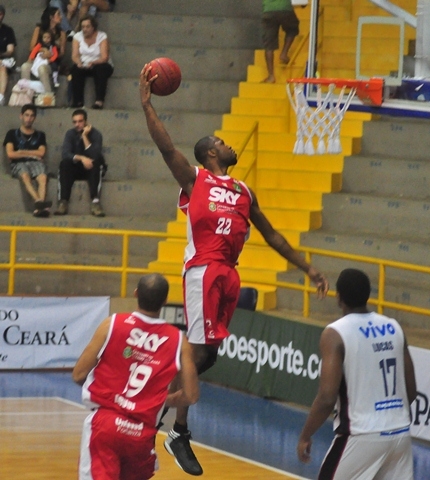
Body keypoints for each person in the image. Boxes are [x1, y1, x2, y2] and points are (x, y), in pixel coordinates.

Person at [139, 64, 329, 476]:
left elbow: (273, 235)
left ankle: (161, 413)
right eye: (222, 142)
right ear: (211, 152)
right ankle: (174, 428)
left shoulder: (244, 191)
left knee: (208, 356)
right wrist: (147, 105)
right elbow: (166, 148)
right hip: (203, 270)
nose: (228, 145)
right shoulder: (195, 180)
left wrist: (308, 269)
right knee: (197, 351)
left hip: (229, 273)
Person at [72, 273, 200, 480]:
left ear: (136, 294)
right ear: (165, 301)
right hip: (141, 435)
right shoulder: (179, 340)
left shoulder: (112, 323)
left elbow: (78, 374)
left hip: (105, 426)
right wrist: (161, 400)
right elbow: (191, 396)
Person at [297, 268, 417, 480]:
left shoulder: (335, 333)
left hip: (361, 435)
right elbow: (411, 391)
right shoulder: (394, 327)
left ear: (339, 297)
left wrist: (305, 435)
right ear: (368, 295)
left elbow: (327, 397)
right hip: (400, 434)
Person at [55, 108, 106, 216]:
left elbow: (94, 155)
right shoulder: (70, 134)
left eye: (80, 121)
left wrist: (84, 136)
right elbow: (65, 154)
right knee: (64, 164)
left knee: (97, 164)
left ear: (86, 121)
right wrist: (82, 158)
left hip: (90, 168)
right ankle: (63, 202)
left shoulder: (96, 134)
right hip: (75, 167)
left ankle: (95, 202)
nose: (77, 124)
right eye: (74, 122)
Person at [3, 104, 52, 217]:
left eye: (31, 116)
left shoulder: (40, 135)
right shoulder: (12, 133)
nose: (29, 118)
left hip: (36, 163)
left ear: (34, 118)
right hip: (18, 164)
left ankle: (39, 208)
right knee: (25, 176)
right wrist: (32, 154)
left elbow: (41, 153)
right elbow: (10, 154)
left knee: (43, 177)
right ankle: (40, 203)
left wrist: (20, 152)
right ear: (21, 116)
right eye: (26, 115)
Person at [70, 14, 113, 109]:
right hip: (84, 64)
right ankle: (78, 102)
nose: (85, 29)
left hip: (99, 63)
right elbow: (74, 55)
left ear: (93, 27)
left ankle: (99, 101)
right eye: (83, 27)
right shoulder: (77, 36)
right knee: (75, 70)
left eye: (87, 26)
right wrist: (79, 63)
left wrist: (93, 63)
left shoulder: (102, 36)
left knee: (101, 70)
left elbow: (104, 57)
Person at [24, 6, 67, 88]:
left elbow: (62, 53)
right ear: (51, 17)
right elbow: (31, 48)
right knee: (25, 67)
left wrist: (52, 53)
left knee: (42, 69)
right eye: (58, 14)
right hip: (37, 59)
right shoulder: (39, 29)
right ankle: (26, 90)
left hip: (52, 62)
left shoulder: (61, 33)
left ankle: (48, 93)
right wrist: (43, 50)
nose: (61, 17)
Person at [261, 0, 300, 84]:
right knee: (292, 28)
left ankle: (271, 76)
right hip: (284, 8)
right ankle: (284, 54)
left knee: (269, 45)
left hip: (268, 10)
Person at [0, 4, 17, 106]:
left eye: (0, 14)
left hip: (4, 60)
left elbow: (10, 50)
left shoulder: (8, 30)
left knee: (2, 67)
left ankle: (1, 97)